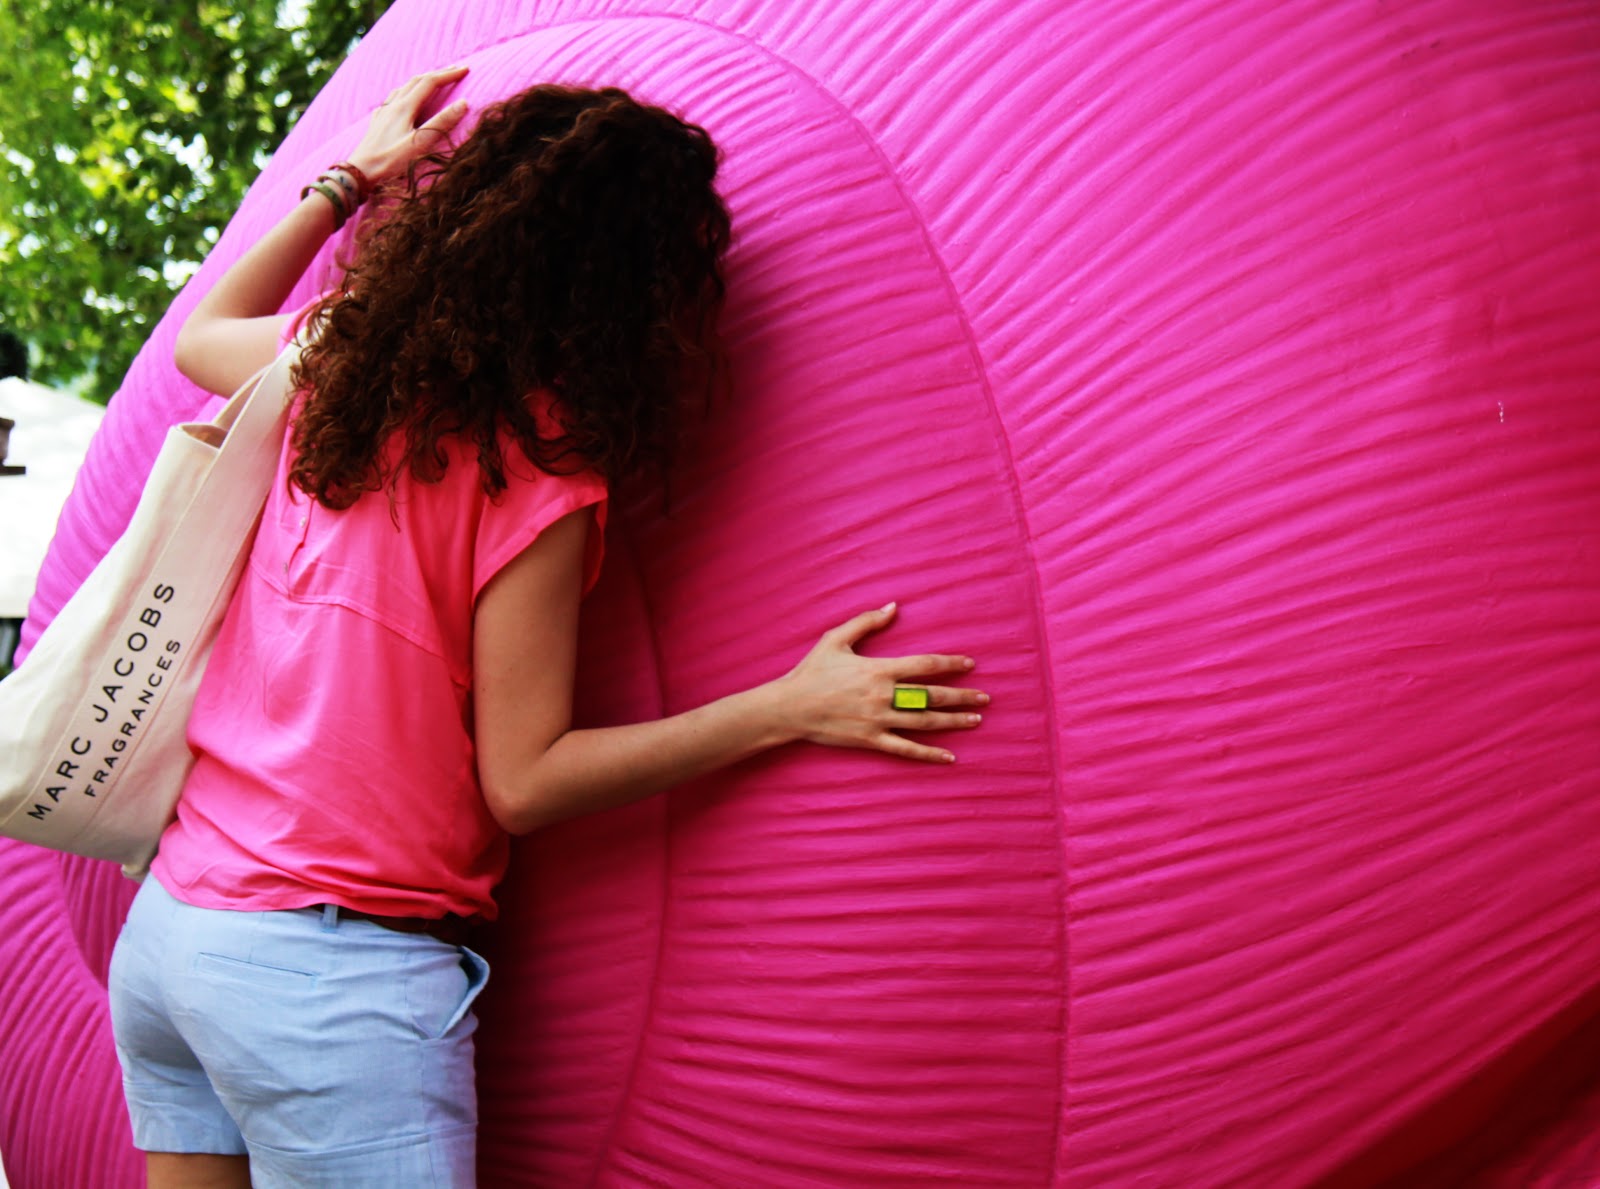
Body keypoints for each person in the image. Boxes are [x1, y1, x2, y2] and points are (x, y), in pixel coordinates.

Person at [107, 66, 989, 1189]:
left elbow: (199, 340)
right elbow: (525, 779)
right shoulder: (534, 469)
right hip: (323, 987)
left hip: (174, 935)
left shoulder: (338, 361)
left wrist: (346, 182)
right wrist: (787, 707)